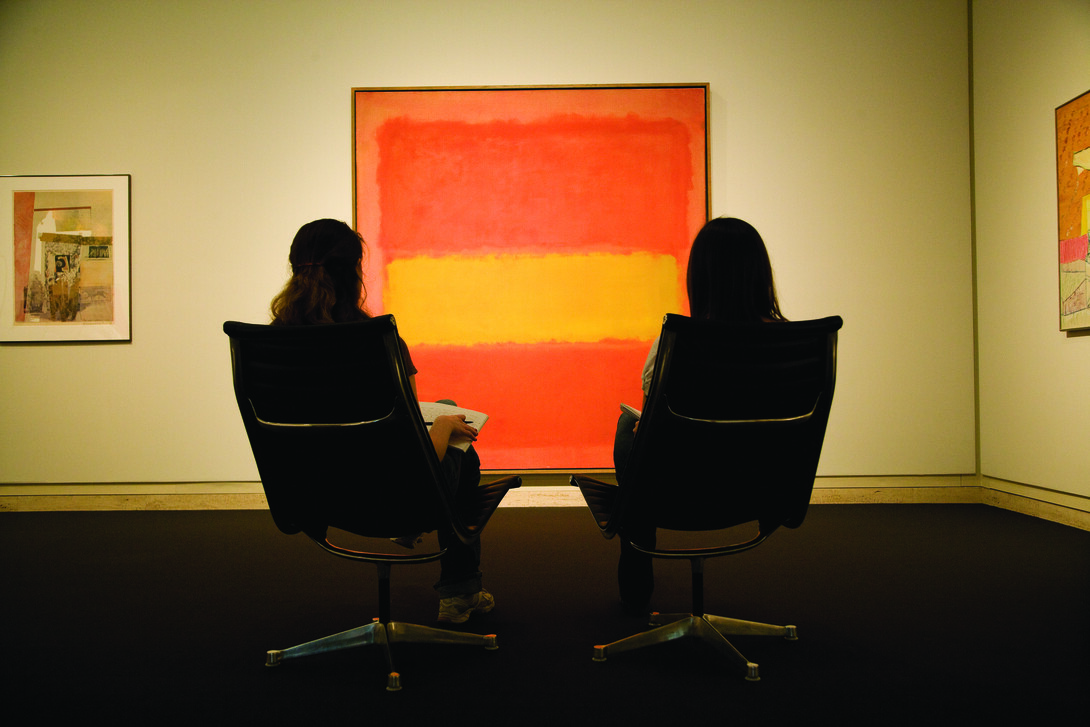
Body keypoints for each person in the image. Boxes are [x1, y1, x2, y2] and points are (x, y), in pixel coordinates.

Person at [269, 218, 493, 625]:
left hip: (314, 494)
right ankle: (460, 590)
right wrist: (442, 428)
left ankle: (461, 587)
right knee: (460, 445)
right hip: (389, 495)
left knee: (444, 406)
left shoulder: (270, 346)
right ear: (355, 271)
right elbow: (407, 448)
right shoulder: (377, 340)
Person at [613, 216, 787, 612]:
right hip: (759, 492)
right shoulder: (794, 346)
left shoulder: (676, 343)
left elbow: (660, 420)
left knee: (629, 426)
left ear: (699, 277)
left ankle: (636, 570)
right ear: (762, 273)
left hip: (679, 493)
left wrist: (650, 429)